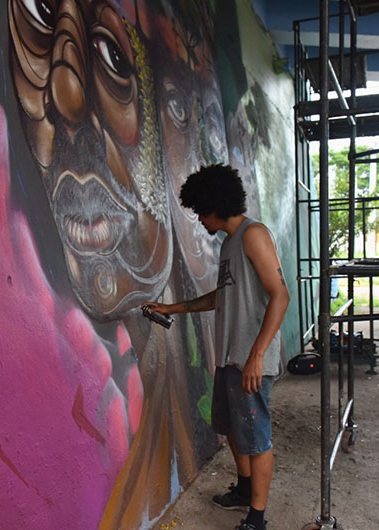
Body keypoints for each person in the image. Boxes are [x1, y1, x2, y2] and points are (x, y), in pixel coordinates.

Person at [144, 164, 290, 530]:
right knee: (232, 428)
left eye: (200, 211)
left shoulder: (253, 235)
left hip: (249, 359)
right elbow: (221, 297)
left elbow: (281, 295)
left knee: (256, 437)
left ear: (214, 205)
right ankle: (244, 489)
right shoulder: (230, 244)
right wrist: (173, 308)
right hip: (230, 357)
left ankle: (257, 518)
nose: (199, 219)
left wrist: (256, 356)